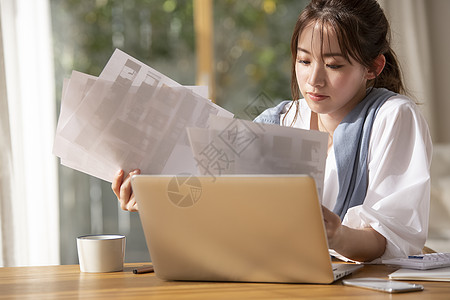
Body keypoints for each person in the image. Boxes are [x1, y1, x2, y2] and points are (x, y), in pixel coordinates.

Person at [112, 0, 432, 262]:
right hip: (270, 273)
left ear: (373, 67)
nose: (313, 80)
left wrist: (335, 234)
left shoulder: (393, 116)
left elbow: (393, 238)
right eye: (304, 61)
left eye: (334, 65)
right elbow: (222, 213)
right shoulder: (278, 119)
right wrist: (155, 199)